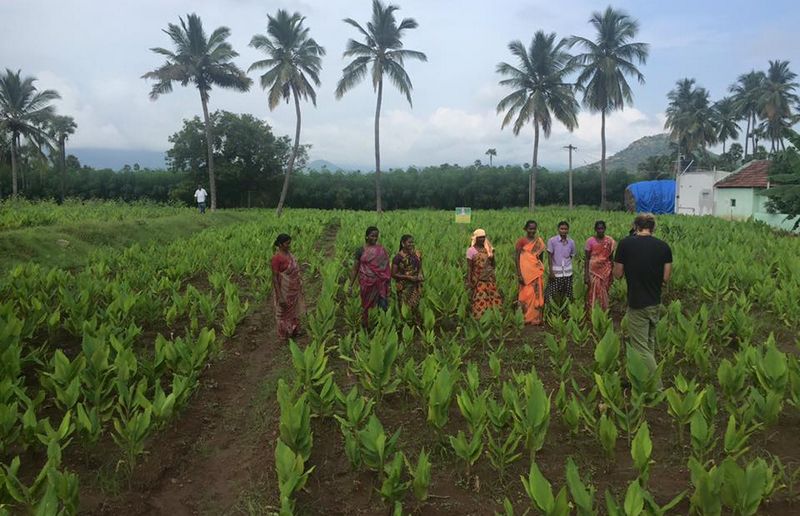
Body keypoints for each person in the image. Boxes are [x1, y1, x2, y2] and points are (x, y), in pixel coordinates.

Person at [613, 213, 673, 379]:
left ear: (636, 226)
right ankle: (643, 379)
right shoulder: (664, 247)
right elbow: (666, 278)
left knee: (640, 348)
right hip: (655, 302)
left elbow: (618, 274)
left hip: (637, 302)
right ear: (653, 228)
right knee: (648, 343)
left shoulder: (625, 244)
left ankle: (656, 385)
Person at [351, 226, 391, 327]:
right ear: (366, 236)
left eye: (376, 236)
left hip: (380, 283)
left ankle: (381, 327)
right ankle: (367, 326)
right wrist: (350, 285)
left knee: (382, 306)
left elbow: (386, 268)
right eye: (372, 236)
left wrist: (389, 284)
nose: (375, 238)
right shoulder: (360, 250)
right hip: (366, 283)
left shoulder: (381, 250)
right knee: (367, 306)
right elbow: (355, 268)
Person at [271, 233, 305, 340]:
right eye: (287, 243)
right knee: (283, 311)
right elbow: (275, 278)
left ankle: (294, 330)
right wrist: (280, 296)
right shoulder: (276, 258)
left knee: (294, 310)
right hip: (284, 289)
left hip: (294, 288)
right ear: (280, 244)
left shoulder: (290, 255)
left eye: (290, 243)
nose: (289, 245)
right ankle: (285, 333)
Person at [466, 228, 503, 319]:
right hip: (478, 279)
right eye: (480, 237)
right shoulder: (471, 251)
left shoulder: (488, 249)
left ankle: (494, 317)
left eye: (483, 237)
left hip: (489, 278)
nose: (482, 239)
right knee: (480, 297)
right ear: (475, 238)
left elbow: (493, 265)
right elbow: (470, 267)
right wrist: (469, 281)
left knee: (492, 296)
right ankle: (480, 318)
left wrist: (492, 256)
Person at [514, 220, 546, 325]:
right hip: (525, 274)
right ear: (526, 229)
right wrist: (519, 274)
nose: (532, 231)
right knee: (525, 295)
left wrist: (540, 270)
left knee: (536, 294)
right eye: (530, 228)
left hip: (536, 273)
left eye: (534, 229)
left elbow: (540, 258)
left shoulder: (538, 242)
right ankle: (525, 317)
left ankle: (536, 318)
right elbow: (517, 258)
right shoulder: (521, 241)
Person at [584, 220, 616, 312]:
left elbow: (611, 258)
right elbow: (587, 259)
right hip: (593, 271)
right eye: (598, 228)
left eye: (602, 228)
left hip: (605, 271)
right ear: (595, 229)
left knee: (604, 290)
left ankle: (603, 311)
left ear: (605, 229)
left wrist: (612, 273)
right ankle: (592, 311)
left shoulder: (609, 241)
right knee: (592, 291)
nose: (600, 230)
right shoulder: (590, 241)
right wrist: (586, 275)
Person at [545, 221, 577, 305]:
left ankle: (566, 310)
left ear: (568, 230)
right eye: (562, 229)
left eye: (565, 229)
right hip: (556, 272)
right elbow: (549, 256)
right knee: (552, 294)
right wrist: (551, 271)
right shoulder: (552, 241)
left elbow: (571, 255)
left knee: (567, 293)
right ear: (558, 229)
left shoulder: (571, 242)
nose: (564, 231)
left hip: (567, 272)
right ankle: (551, 309)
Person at [392, 234, 423, 309]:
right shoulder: (398, 258)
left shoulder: (417, 254)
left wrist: (420, 274)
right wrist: (408, 277)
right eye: (409, 242)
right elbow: (393, 274)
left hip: (415, 284)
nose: (411, 244)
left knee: (415, 307)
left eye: (412, 242)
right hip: (404, 287)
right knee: (404, 308)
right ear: (403, 243)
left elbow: (420, 266)